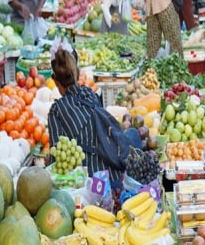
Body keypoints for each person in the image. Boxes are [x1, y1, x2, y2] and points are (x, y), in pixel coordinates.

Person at [47, 40, 145, 181]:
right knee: (133, 133)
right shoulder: (89, 93)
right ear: (77, 73)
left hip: (92, 181)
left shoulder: (56, 111)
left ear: (55, 82)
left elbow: (57, 158)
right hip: (115, 169)